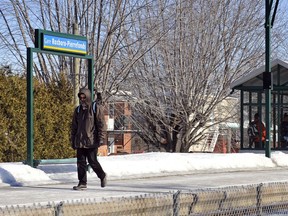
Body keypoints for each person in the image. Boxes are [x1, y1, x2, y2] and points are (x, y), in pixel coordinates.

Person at [71, 88, 107, 190]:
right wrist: (73, 140)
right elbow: (74, 127)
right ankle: (82, 183)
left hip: (92, 141)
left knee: (92, 161)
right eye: (80, 97)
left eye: (84, 97)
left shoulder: (95, 108)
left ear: (87, 97)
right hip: (80, 141)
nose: (82, 99)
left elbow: (101, 125)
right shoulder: (78, 110)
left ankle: (102, 175)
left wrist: (101, 138)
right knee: (80, 162)